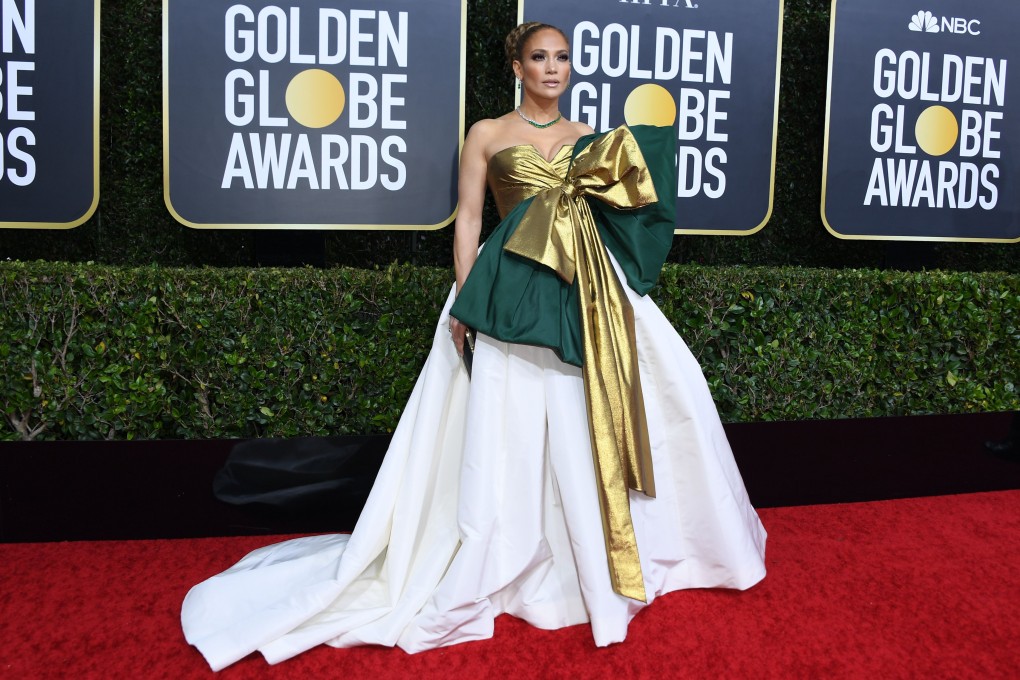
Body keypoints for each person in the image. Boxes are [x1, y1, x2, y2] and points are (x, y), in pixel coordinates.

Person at [181, 22, 766, 671]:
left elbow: (630, 208)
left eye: (563, 58)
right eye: (540, 57)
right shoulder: (487, 134)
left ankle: (593, 556)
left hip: (585, 288)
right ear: (517, 65)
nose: (553, 68)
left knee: (598, 410)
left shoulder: (589, 141)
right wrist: (466, 298)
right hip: (507, 283)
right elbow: (467, 218)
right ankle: (508, 551)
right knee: (506, 424)